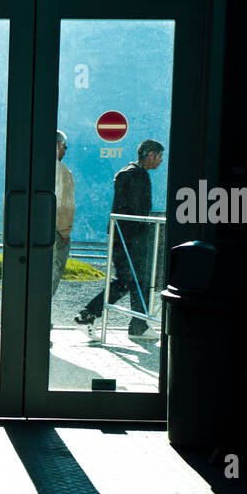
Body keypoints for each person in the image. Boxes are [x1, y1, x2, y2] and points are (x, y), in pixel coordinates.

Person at [74, 139, 163, 338]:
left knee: (136, 281)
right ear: (150, 155)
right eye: (159, 156)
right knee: (129, 281)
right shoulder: (136, 176)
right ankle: (87, 315)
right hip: (129, 239)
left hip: (124, 237)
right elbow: (135, 210)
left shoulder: (130, 173)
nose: (161, 161)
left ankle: (138, 326)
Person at [52, 130, 76, 298]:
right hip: (55, 233)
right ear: (57, 146)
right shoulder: (63, 171)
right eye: (64, 147)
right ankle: (42, 313)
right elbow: (66, 205)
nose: (65, 152)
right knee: (53, 273)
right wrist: (65, 233)